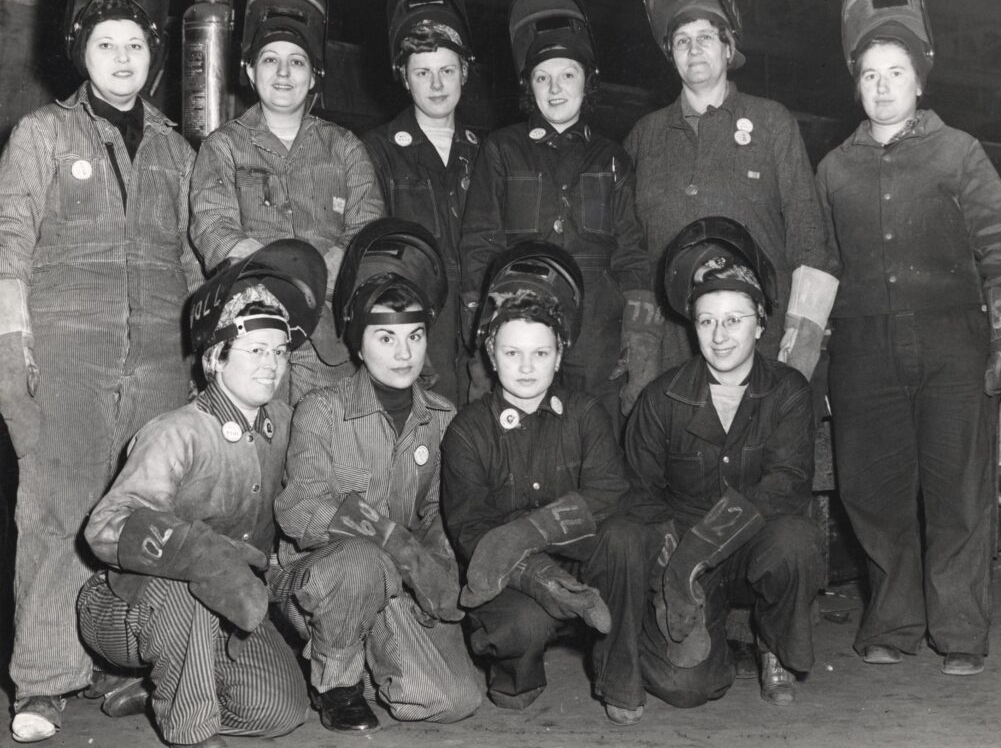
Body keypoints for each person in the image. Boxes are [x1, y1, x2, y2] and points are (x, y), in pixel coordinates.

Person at [0, 0, 203, 742]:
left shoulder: (178, 150)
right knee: (55, 510)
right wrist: (13, 353)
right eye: (104, 44)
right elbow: (8, 246)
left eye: (134, 45)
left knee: (144, 512)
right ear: (80, 52)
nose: (121, 57)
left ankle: (130, 666)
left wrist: (199, 365)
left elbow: (192, 263)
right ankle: (44, 681)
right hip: (69, 347)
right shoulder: (41, 135)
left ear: (154, 57)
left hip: (158, 351)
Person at [816, 0, 1001, 676]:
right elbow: (819, 269)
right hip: (864, 350)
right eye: (870, 74)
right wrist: (813, 359)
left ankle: (961, 632)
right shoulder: (834, 169)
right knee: (870, 491)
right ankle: (893, 619)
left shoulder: (959, 152)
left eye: (895, 71)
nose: (882, 86)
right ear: (857, 84)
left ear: (920, 80)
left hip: (952, 345)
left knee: (958, 492)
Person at [76, 239, 321, 748]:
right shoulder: (178, 432)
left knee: (281, 711)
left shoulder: (284, 425)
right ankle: (192, 731)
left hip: (222, 605)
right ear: (215, 358)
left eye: (279, 352)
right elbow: (105, 527)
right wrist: (201, 552)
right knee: (183, 579)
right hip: (129, 604)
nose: (271, 365)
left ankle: (162, 691)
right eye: (256, 350)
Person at [272, 219, 481, 733]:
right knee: (362, 558)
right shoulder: (322, 409)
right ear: (358, 345)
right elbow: (298, 511)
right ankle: (336, 684)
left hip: (394, 586)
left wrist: (437, 570)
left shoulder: (442, 417)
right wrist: (391, 536)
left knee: (456, 701)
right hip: (318, 580)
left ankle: (362, 650)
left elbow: (438, 516)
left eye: (414, 336)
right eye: (385, 337)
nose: (404, 352)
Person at [606, 217, 822, 714]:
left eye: (734, 320)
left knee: (797, 542)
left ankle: (773, 645)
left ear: (761, 323)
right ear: (692, 326)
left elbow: (786, 487)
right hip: (681, 559)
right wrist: (673, 566)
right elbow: (640, 494)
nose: (720, 336)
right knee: (686, 690)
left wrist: (700, 549)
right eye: (707, 321)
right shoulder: (661, 399)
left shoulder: (788, 391)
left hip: (754, 548)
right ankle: (709, 643)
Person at [626, 0, 838, 381]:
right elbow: (630, 252)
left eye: (706, 37)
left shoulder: (772, 122)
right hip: (671, 352)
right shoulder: (643, 137)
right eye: (681, 41)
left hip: (763, 344)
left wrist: (801, 345)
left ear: (728, 46)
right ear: (670, 55)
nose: (694, 50)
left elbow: (809, 236)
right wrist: (638, 350)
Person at [442, 242, 633, 719]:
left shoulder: (585, 412)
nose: (526, 367)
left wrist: (531, 531)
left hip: (578, 555)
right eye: (512, 352)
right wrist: (539, 573)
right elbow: (469, 528)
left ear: (559, 353)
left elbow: (608, 492)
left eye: (540, 352)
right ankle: (517, 673)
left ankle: (619, 677)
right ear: (490, 353)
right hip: (508, 572)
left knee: (627, 539)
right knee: (521, 626)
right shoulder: (468, 428)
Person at [459, 0, 658, 426]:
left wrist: (640, 333)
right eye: (542, 77)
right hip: (518, 322)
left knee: (595, 439)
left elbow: (631, 250)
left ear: (587, 82)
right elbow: (479, 242)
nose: (555, 88)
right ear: (528, 85)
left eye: (567, 74)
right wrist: (480, 330)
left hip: (597, 336)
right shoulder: (502, 149)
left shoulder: (611, 157)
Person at [190, 0, 384, 401]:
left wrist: (319, 282)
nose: (283, 73)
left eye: (296, 62)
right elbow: (214, 231)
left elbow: (365, 235)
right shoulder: (222, 147)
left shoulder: (346, 148)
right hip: (250, 337)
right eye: (269, 60)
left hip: (332, 340)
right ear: (248, 69)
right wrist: (280, 285)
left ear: (314, 75)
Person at [362, 0, 480, 403]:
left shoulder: (485, 152)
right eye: (422, 72)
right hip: (415, 323)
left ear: (464, 73)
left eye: (447, 71)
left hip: (477, 318)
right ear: (404, 77)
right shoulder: (377, 151)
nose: (436, 85)